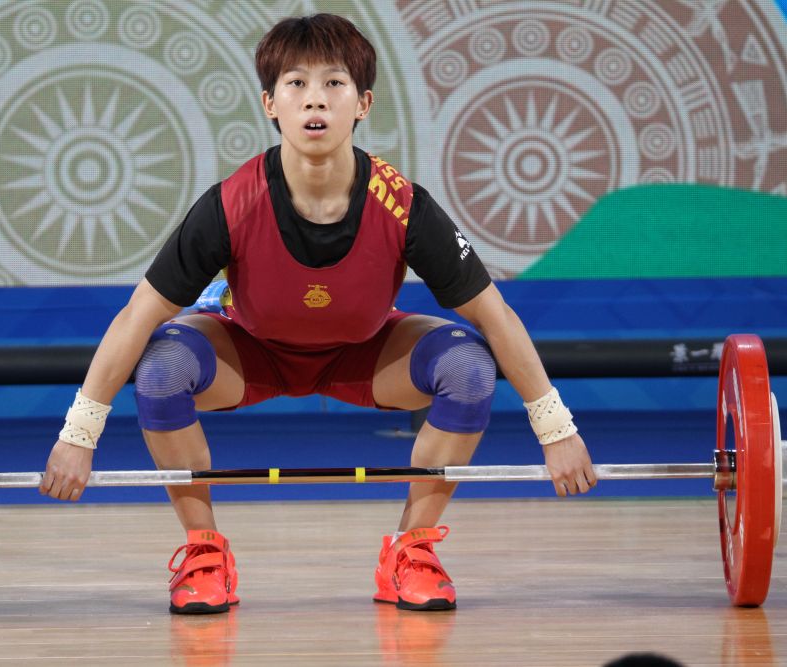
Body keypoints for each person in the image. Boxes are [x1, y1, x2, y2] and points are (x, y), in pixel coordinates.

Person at [40, 13, 596, 614]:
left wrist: (557, 430)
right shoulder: (231, 203)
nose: (315, 100)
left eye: (334, 83)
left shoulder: (403, 204)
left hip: (364, 354)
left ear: (363, 104)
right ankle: (204, 553)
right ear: (270, 104)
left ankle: (411, 552)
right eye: (296, 84)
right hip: (249, 352)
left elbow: (496, 316)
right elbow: (136, 316)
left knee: (468, 367)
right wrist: (79, 435)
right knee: (160, 367)